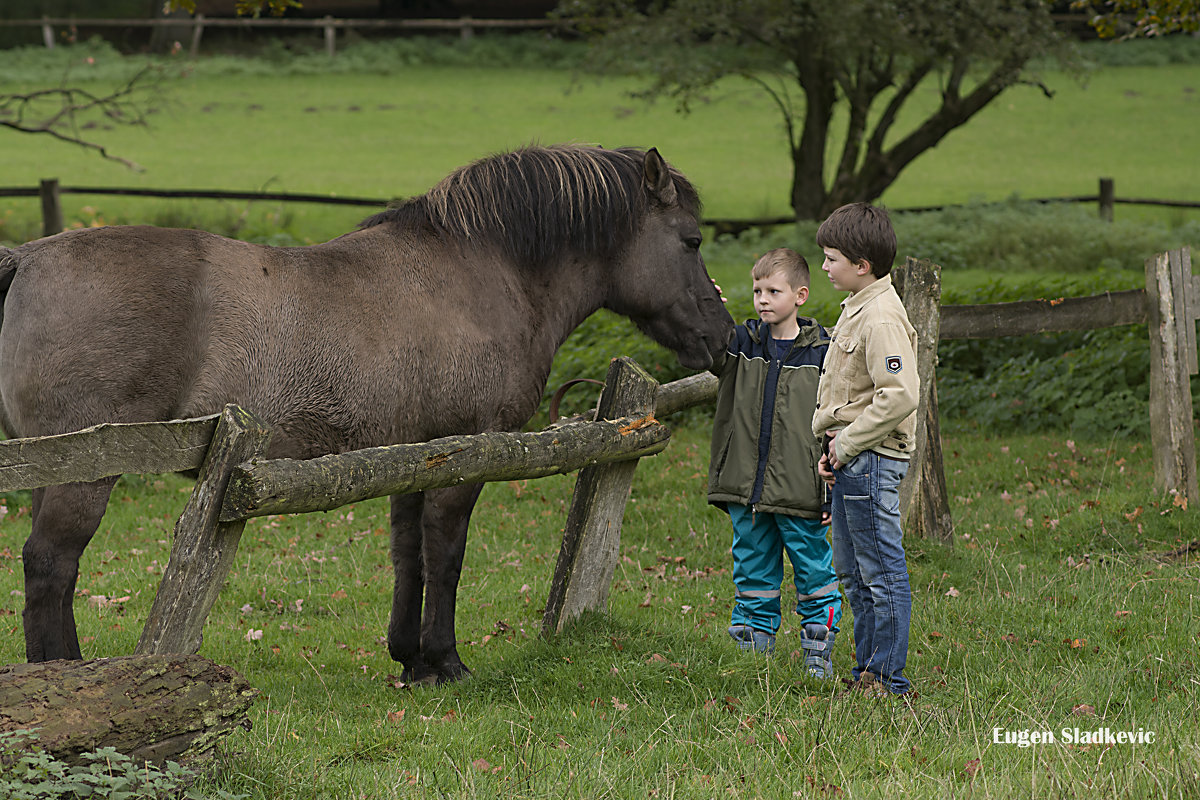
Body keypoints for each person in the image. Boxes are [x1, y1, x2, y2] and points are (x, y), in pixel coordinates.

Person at [707, 248, 842, 679]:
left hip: (801, 489)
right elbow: (703, 348)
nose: (762, 299)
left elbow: (837, 418)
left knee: (814, 573)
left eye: (773, 291)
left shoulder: (824, 352)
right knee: (752, 568)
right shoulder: (742, 343)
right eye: (756, 291)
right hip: (746, 488)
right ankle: (751, 655)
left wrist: (829, 485)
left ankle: (817, 653)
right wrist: (708, 307)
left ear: (800, 295)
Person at [812, 203, 919, 696]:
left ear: (862, 264)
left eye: (832, 258)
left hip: (872, 459)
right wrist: (833, 450)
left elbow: (899, 394)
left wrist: (849, 443)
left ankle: (887, 679)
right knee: (853, 575)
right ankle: (867, 673)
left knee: (881, 573)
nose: (825, 266)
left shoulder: (879, 318)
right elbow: (848, 396)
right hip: (852, 459)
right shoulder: (858, 308)